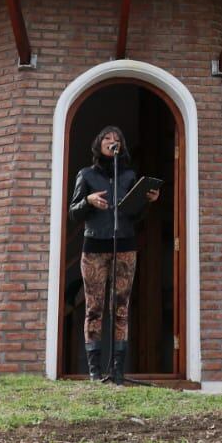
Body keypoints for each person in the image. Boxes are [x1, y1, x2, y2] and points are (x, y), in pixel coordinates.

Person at [68, 127, 158, 384]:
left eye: (117, 139)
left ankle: (118, 372)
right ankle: (95, 372)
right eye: (107, 138)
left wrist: (147, 201)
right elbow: (73, 212)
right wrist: (88, 200)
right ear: (98, 144)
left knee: (120, 309)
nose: (112, 142)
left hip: (125, 245)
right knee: (94, 308)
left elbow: (135, 216)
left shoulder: (129, 176)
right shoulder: (85, 175)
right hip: (94, 246)